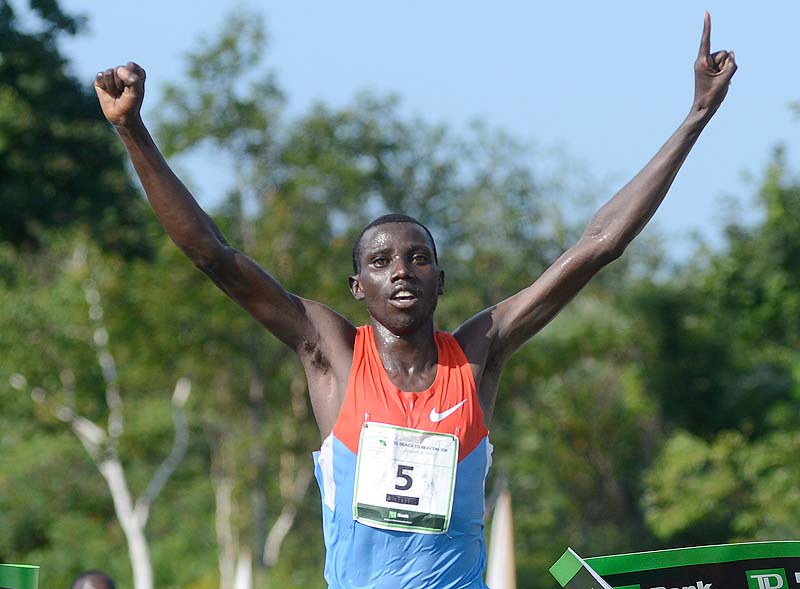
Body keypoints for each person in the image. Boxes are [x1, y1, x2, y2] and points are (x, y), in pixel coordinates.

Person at [94, 13, 736, 589]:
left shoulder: (480, 352)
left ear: (439, 280)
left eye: (418, 258)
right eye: (381, 262)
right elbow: (214, 255)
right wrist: (133, 132)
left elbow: (597, 246)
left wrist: (696, 116)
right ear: (358, 288)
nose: (401, 271)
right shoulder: (331, 351)